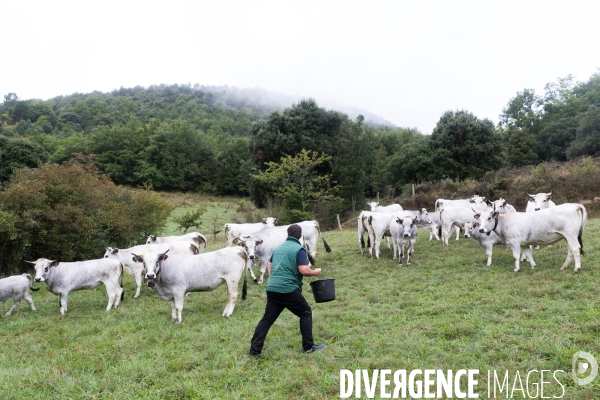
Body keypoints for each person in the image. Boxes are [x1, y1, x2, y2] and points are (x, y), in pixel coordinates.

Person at [249, 224, 325, 357]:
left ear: (287, 235)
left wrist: (274, 277)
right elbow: (303, 270)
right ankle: (308, 346)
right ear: (300, 236)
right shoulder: (298, 249)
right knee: (305, 312)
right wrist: (315, 272)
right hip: (288, 289)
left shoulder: (278, 249)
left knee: (267, 319)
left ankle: (255, 351)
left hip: (272, 288)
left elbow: (269, 264)